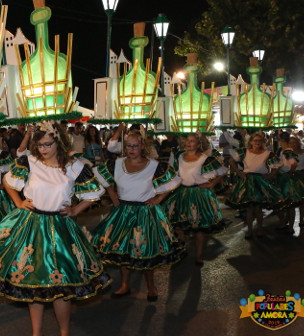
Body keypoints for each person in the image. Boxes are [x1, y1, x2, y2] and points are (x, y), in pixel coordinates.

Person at [0, 121, 110, 336]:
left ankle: (64, 332)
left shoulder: (74, 165)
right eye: (40, 145)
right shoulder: (30, 160)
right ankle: (37, 333)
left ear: (58, 142)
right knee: (33, 283)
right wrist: (17, 201)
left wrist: (75, 210)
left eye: (47, 144)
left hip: (60, 229)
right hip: (31, 225)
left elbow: (95, 191)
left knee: (62, 288)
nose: (43, 149)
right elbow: (8, 181)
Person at [91, 129, 184, 301]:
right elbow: (103, 179)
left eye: (135, 145)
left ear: (142, 146)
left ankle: (151, 286)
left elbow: (174, 181)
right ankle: (125, 285)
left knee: (146, 251)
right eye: (128, 146)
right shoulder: (116, 164)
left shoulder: (154, 166)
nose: (131, 149)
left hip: (145, 213)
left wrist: (158, 199)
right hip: (123, 212)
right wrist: (112, 195)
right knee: (122, 250)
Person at [166, 133, 227, 265]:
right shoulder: (179, 156)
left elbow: (222, 171)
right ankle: (185, 244)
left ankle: (199, 255)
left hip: (199, 195)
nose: (188, 143)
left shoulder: (205, 159)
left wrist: (212, 183)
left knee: (200, 227)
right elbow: (172, 174)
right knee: (180, 225)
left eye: (192, 141)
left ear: (198, 144)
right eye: (187, 140)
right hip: (182, 194)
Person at [228, 132, 285, 239]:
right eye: (255, 140)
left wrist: (271, 175)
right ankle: (249, 230)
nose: (257, 143)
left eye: (260, 141)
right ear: (250, 142)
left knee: (258, 208)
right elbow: (231, 160)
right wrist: (239, 173)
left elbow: (277, 165)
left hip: (260, 181)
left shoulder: (268, 153)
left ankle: (260, 229)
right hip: (248, 181)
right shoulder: (244, 151)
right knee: (249, 209)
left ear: (263, 142)